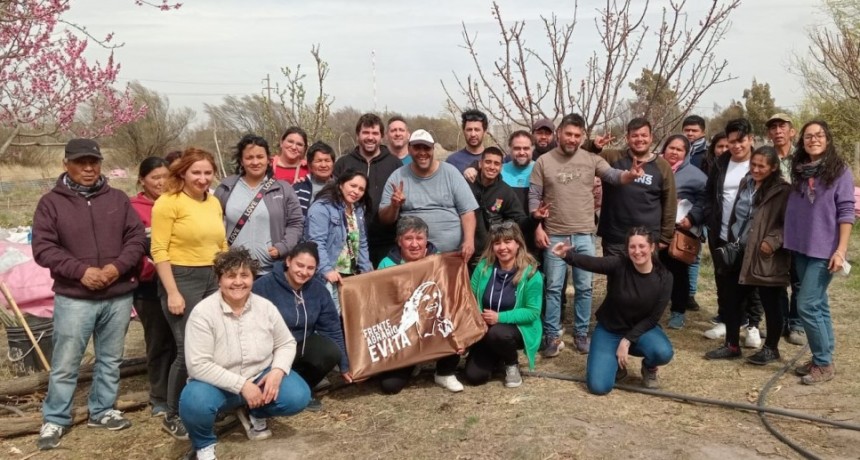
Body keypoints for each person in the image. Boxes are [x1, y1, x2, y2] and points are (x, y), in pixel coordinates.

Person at [33, 139, 146, 450]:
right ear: (66, 164)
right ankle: (56, 418)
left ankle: (102, 410)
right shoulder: (51, 203)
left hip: (117, 294)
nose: (88, 168)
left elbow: (136, 238)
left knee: (110, 359)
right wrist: (80, 271)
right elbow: (43, 248)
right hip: (74, 297)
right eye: (80, 162)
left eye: (93, 162)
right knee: (66, 362)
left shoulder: (117, 199)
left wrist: (116, 268)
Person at [179, 248, 311, 460]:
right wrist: (242, 386)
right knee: (194, 401)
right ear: (219, 280)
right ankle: (204, 445)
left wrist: (277, 371)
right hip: (218, 385)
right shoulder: (203, 313)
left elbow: (286, 342)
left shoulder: (265, 307)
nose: (238, 282)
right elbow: (198, 365)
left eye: (244, 275)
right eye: (231, 276)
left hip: (259, 375)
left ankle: (255, 411)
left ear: (253, 278)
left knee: (298, 396)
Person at [530, 114, 643, 357]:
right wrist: (536, 219)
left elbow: (614, 176)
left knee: (584, 287)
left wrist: (630, 175)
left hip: (584, 234)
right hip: (555, 235)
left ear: (583, 137)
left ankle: (581, 334)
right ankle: (551, 335)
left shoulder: (592, 159)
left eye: (577, 135)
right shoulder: (543, 161)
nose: (572, 139)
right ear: (559, 133)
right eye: (568, 134)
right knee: (553, 288)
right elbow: (534, 195)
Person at [151, 148, 228, 440]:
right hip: (182, 277)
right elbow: (159, 250)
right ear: (182, 172)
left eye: (208, 173)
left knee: (214, 344)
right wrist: (172, 292)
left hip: (213, 276)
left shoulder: (214, 202)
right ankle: (172, 414)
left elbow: (221, 244)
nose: (203, 178)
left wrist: (226, 277)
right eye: (196, 172)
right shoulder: (168, 203)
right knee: (188, 349)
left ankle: (207, 403)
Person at [551, 227, 674, 395]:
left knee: (663, 352)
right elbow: (592, 263)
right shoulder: (619, 264)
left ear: (652, 247)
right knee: (598, 387)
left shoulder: (665, 277)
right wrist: (566, 255)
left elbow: (653, 318)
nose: (637, 251)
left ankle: (649, 367)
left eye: (642, 246)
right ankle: (615, 363)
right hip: (610, 330)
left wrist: (627, 340)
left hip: (641, 331)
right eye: (632, 247)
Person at [704, 146, 791, 363]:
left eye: (762, 166)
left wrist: (772, 241)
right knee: (732, 300)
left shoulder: (782, 191)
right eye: (753, 164)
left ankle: (771, 348)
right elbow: (736, 215)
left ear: (773, 167)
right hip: (740, 251)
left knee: (770, 303)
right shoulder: (746, 182)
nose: (756, 169)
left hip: (765, 255)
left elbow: (789, 224)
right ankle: (732, 345)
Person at [785, 120, 855, 384]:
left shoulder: (840, 172)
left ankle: (823, 363)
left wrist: (841, 250)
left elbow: (846, 211)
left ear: (828, 139)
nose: (813, 139)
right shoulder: (800, 171)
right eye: (808, 136)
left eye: (819, 135)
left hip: (825, 250)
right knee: (819, 303)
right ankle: (823, 356)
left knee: (806, 305)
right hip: (802, 247)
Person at [252, 242, 351, 409]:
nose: (304, 272)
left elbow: (332, 329)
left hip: (300, 346)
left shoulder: (318, 291)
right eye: (300, 265)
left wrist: (344, 365)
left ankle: (304, 386)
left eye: (310, 268)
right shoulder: (263, 286)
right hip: (269, 350)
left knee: (330, 351)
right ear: (288, 261)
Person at [375, 216, 464, 394]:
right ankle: (413, 362)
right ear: (399, 241)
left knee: (455, 317)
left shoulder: (440, 261)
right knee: (390, 386)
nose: (414, 244)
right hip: (404, 330)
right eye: (408, 238)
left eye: (419, 238)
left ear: (426, 240)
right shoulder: (386, 264)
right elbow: (380, 305)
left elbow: (453, 296)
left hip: (435, 324)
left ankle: (445, 372)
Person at [702, 119, 765, 345]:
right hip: (721, 232)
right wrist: (708, 216)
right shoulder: (720, 163)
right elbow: (709, 193)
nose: (736, 146)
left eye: (741, 140)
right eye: (731, 142)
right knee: (723, 279)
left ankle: (753, 325)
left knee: (751, 281)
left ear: (751, 139)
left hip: (750, 234)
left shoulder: (760, 162)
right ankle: (727, 320)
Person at [379, 129, 478, 259]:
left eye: (426, 148)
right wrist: (394, 206)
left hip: (450, 255)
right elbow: (384, 219)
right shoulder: (398, 176)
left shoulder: (451, 173)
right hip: (412, 257)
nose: (422, 152)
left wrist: (469, 241)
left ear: (433, 149)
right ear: (409, 149)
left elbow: (468, 211)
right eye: (417, 148)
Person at [466, 222, 543, 388]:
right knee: (474, 376)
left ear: (518, 244)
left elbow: (533, 312)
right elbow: (470, 297)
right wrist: (478, 319)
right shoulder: (483, 267)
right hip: (485, 328)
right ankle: (496, 356)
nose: (502, 248)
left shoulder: (531, 273)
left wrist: (499, 317)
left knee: (498, 333)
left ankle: (511, 364)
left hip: (516, 328)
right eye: (497, 243)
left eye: (508, 242)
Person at [214, 134, 303, 275]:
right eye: (249, 157)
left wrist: (283, 247)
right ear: (241, 161)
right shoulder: (226, 188)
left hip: (270, 271)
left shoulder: (283, 189)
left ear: (268, 159)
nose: (255, 162)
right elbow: (213, 223)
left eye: (260, 157)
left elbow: (296, 223)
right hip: (234, 271)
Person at [129, 156, 175, 417]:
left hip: (180, 281)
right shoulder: (133, 208)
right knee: (158, 340)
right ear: (142, 180)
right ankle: (159, 396)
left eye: (165, 176)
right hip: (149, 284)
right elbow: (131, 248)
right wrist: (152, 268)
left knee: (181, 339)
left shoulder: (177, 202)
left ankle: (178, 391)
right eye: (155, 177)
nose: (161, 182)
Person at [599, 117, 677, 257]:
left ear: (651, 137)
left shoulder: (662, 166)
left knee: (644, 272)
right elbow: (582, 156)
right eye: (635, 135)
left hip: (647, 239)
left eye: (644, 135)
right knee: (615, 272)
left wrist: (666, 236)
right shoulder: (612, 157)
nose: (640, 139)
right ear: (627, 138)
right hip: (615, 238)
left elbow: (669, 202)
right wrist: (594, 146)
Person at [334, 113, 403, 266]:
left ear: (382, 136)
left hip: (386, 241)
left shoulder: (394, 164)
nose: (370, 137)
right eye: (365, 132)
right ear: (357, 135)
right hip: (348, 241)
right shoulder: (344, 163)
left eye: (375, 133)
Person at [305, 170, 373, 313]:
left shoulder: (358, 210)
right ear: (341, 184)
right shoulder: (322, 207)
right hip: (328, 275)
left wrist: (366, 269)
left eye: (361, 189)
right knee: (330, 317)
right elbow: (316, 242)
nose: (356, 191)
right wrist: (326, 270)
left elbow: (362, 242)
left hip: (351, 274)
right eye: (353, 186)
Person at [659, 135, 706, 330]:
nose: (674, 152)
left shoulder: (696, 175)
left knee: (678, 273)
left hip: (678, 231)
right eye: (671, 147)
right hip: (653, 228)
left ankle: (678, 311)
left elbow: (706, 199)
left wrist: (692, 217)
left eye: (679, 149)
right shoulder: (654, 166)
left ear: (686, 153)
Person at [765, 113, 804, 346]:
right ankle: (780, 322)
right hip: (774, 225)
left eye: (782, 126)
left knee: (799, 279)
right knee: (777, 278)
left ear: (792, 131)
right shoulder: (766, 158)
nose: (778, 131)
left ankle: (797, 324)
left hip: (799, 226)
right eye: (773, 127)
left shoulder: (803, 158)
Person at [470, 146, 528, 262]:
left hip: (492, 253)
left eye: (496, 164)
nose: (492, 167)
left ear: (501, 168)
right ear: (480, 164)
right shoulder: (467, 184)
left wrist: (535, 218)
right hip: (467, 249)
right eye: (488, 162)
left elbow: (520, 219)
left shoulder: (506, 192)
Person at [294, 141, 336, 217]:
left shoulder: (341, 187)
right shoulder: (298, 189)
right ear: (309, 165)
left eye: (327, 161)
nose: (323, 165)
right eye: (318, 161)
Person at [446, 109, 488, 173]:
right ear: (464, 132)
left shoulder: (494, 160)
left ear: (485, 132)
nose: (473, 134)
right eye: (469, 130)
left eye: (477, 130)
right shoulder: (452, 161)